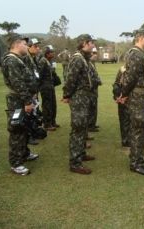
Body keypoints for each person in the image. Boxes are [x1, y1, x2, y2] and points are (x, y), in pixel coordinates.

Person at [2, 33, 39, 175]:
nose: (27, 46)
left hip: (23, 99)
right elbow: (18, 84)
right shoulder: (11, 61)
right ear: (17, 44)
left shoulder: (18, 59)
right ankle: (16, 163)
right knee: (16, 130)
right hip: (18, 101)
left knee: (24, 127)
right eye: (24, 44)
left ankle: (24, 153)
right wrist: (28, 101)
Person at [118, 28, 144, 175]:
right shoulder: (136, 55)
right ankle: (135, 163)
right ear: (141, 38)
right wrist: (124, 94)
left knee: (141, 128)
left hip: (141, 98)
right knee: (139, 128)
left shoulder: (139, 54)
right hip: (137, 98)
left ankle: (137, 156)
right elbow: (130, 78)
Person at [62, 34, 98, 175]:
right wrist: (67, 95)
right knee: (78, 128)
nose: (93, 45)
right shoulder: (77, 58)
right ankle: (75, 163)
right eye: (91, 43)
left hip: (85, 97)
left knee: (82, 127)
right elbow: (71, 79)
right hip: (79, 98)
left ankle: (81, 153)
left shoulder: (83, 58)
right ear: (84, 43)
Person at [23, 38, 42, 145]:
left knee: (34, 113)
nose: (38, 48)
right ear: (29, 47)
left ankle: (33, 132)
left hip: (34, 90)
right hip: (29, 92)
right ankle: (29, 136)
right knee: (28, 115)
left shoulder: (34, 58)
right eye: (35, 46)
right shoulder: (26, 58)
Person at [39, 45, 60, 131]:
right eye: (51, 52)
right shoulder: (43, 61)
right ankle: (47, 124)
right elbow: (39, 75)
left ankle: (52, 121)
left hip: (50, 86)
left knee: (53, 105)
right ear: (47, 54)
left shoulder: (49, 61)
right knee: (47, 105)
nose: (53, 53)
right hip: (45, 86)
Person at [113, 66, 131, 148]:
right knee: (125, 120)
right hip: (125, 98)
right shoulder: (124, 69)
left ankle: (127, 139)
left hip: (124, 97)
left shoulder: (122, 68)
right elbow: (117, 83)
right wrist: (118, 96)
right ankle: (126, 140)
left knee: (126, 120)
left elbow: (116, 83)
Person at [88, 47, 102, 132]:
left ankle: (92, 124)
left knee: (94, 107)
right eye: (93, 53)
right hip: (91, 89)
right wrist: (97, 81)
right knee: (91, 107)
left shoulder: (93, 64)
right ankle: (90, 125)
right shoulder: (88, 64)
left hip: (94, 89)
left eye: (96, 53)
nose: (95, 55)